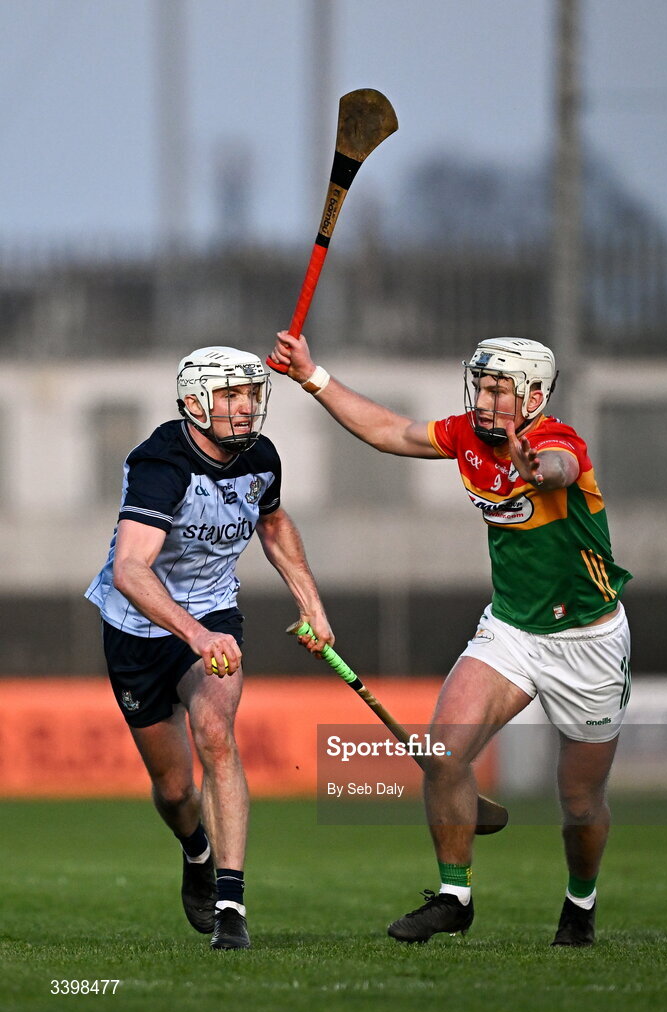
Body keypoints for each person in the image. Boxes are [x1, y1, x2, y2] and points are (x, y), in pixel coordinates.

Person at [269, 330, 632, 947]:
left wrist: (535, 469)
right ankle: (454, 896)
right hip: (512, 629)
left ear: (536, 395)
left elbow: (559, 468)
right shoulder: (466, 435)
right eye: (483, 386)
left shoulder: (555, 442)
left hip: (588, 640)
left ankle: (580, 902)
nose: (487, 400)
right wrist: (312, 376)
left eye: (501, 390)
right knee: (442, 753)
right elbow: (392, 432)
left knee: (579, 804)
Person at [85, 346, 332, 951]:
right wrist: (192, 634)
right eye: (230, 396)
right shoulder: (160, 464)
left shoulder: (261, 458)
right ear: (195, 402)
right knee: (174, 791)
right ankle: (196, 851)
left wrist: (311, 603)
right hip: (138, 628)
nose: (245, 408)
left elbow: (272, 524)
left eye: (250, 394)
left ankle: (230, 904)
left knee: (217, 734)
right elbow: (131, 570)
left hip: (214, 613)